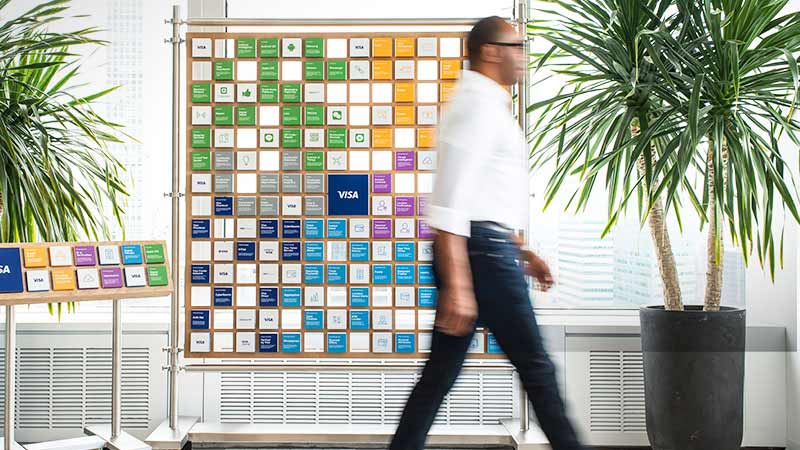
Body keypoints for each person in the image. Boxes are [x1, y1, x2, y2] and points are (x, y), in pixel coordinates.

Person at [388, 16, 587, 450]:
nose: (524, 56)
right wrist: (458, 285)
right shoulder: (476, 106)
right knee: (536, 368)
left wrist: (522, 252)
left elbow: (483, 198)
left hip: (488, 251)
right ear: (491, 51)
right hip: (481, 257)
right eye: (518, 46)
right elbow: (451, 202)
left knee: (439, 377)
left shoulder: (487, 104)